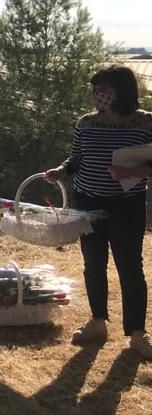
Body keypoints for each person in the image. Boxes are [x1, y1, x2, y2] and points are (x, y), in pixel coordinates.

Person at [45, 65, 152, 359]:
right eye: (96, 91)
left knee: (130, 268)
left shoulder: (146, 124)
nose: (99, 97)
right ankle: (97, 321)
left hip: (127, 206)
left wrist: (136, 170)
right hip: (87, 204)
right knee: (93, 264)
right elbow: (76, 157)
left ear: (123, 91)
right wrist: (62, 170)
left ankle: (138, 333)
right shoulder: (86, 123)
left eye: (105, 91)